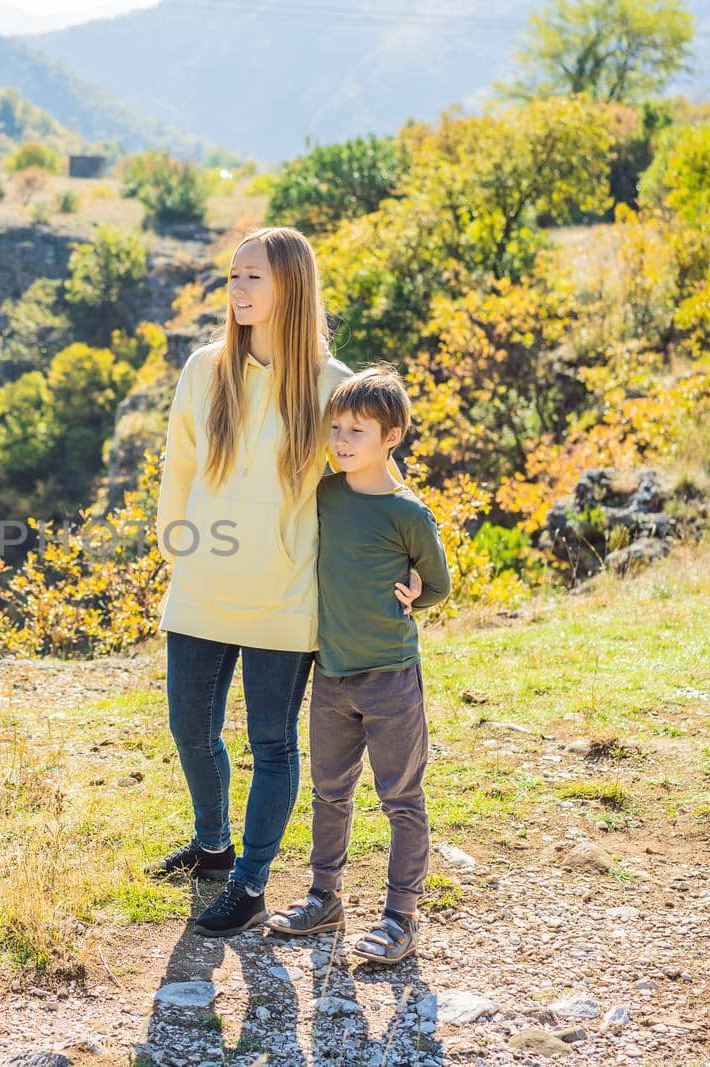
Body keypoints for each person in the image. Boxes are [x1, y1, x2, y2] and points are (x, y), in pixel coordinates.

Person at [146, 227, 419, 938]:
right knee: (190, 727)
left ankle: (251, 882)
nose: (237, 290)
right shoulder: (205, 369)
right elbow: (178, 462)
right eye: (232, 277)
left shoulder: (333, 386)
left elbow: (372, 481)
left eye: (253, 279)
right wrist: (173, 539)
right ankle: (212, 846)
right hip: (203, 586)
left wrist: (409, 556)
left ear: (290, 288)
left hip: (285, 597)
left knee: (271, 744)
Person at [265, 367, 451, 964]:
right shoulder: (325, 493)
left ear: (391, 436)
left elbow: (439, 585)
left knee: (401, 798)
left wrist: (415, 592)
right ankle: (325, 896)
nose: (342, 440)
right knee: (329, 793)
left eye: (358, 431)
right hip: (333, 676)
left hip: (391, 677)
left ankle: (401, 916)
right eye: (337, 428)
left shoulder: (407, 514)